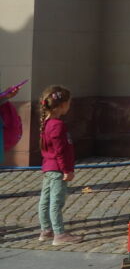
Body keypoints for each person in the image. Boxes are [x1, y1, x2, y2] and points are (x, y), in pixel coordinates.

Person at [37, 86, 80, 245]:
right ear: (62, 105)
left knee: (45, 200)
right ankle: (59, 234)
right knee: (56, 202)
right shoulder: (57, 124)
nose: (69, 106)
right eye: (69, 103)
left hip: (49, 167)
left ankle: (46, 230)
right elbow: (60, 151)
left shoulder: (46, 122)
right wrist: (67, 170)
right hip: (57, 169)